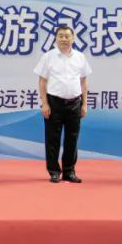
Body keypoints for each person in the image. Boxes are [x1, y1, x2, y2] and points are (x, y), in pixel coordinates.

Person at [34, 25, 91, 183]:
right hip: (54, 103)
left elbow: (83, 81)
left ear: (73, 38)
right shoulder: (48, 57)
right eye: (60, 36)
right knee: (53, 139)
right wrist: (45, 104)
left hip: (74, 103)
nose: (64, 39)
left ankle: (69, 171)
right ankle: (54, 171)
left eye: (67, 36)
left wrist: (84, 104)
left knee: (72, 139)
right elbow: (42, 81)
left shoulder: (80, 57)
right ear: (56, 38)